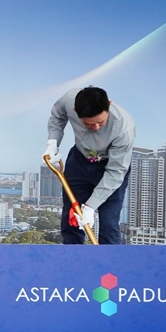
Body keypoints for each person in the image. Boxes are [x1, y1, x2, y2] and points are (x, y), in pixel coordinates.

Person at [45, 86, 135, 245]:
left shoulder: (123, 128)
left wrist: (90, 207)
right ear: (75, 110)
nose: (96, 128)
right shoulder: (69, 100)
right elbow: (57, 116)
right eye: (88, 124)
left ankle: (109, 264)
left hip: (110, 168)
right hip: (79, 162)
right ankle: (74, 260)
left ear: (109, 104)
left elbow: (115, 173)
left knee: (108, 224)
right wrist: (53, 142)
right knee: (71, 219)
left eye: (100, 122)